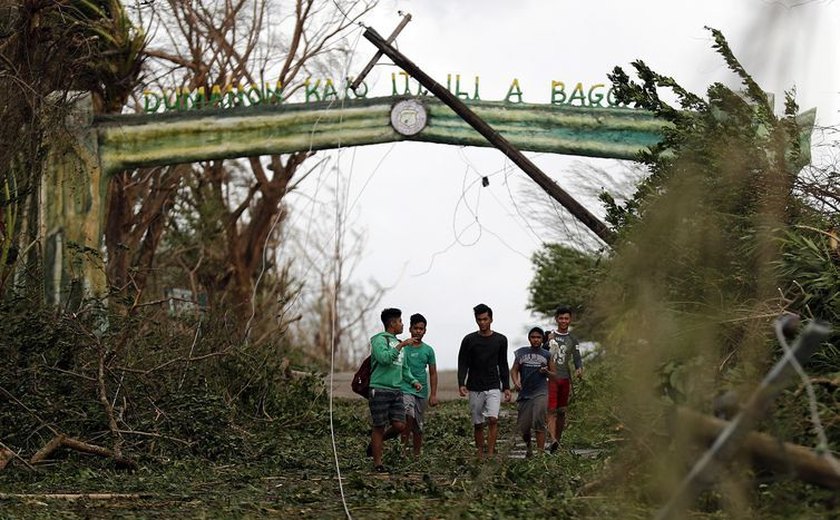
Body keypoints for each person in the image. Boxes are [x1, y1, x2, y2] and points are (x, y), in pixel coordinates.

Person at [368, 308, 422, 472]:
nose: (402, 324)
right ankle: (378, 464)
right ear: (392, 323)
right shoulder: (379, 340)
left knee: (400, 425)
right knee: (379, 426)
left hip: (396, 390)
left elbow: (404, 369)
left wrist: (413, 381)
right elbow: (384, 359)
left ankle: (375, 443)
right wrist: (400, 345)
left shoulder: (401, 345)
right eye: (400, 321)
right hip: (380, 388)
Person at [457, 303, 511, 460]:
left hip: (493, 385)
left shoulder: (501, 340)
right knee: (478, 423)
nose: (482, 322)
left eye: (485, 319)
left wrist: (506, 386)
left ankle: (490, 452)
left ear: (491, 319)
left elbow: (503, 363)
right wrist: (461, 383)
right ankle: (480, 452)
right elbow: (463, 362)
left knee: (493, 419)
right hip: (475, 386)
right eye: (479, 319)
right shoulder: (469, 340)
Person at [545, 305, 583, 453]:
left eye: (566, 318)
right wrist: (548, 341)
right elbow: (542, 351)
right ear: (556, 319)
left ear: (570, 320)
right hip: (552, 378)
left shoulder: (573, 339)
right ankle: (552, 439)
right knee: (551, 410)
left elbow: (577, 357)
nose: (563, 320)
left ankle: (557, 441)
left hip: (565, 378)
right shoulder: (549, 335)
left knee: (561, 411)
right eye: (561, 318)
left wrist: (578, 368)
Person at [400, 313, 438, 457]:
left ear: (425, 330)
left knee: (418, 425)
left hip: (421, 391)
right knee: (407, 416)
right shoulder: (403, 347)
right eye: (415, 328)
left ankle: (416, 454)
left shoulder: (428, 350)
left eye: (421, 329)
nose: (418, 331)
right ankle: (402, 451)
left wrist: (433, 394)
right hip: (405, 388)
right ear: (410, 329)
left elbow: (433, 373)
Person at [511, 327, 551, 457]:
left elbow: (554, 373)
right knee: (524, 427)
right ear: (529, 338)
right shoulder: (521, 353)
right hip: (525, 393)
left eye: (538, 337)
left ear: (542, 339)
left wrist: (547, 372)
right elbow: (514, 369)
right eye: (533, 337)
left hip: (541, 391)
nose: (536, 340)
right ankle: (529, 449)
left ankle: (540, 454)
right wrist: (516, 382)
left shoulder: (547, 354)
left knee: (539, 421)